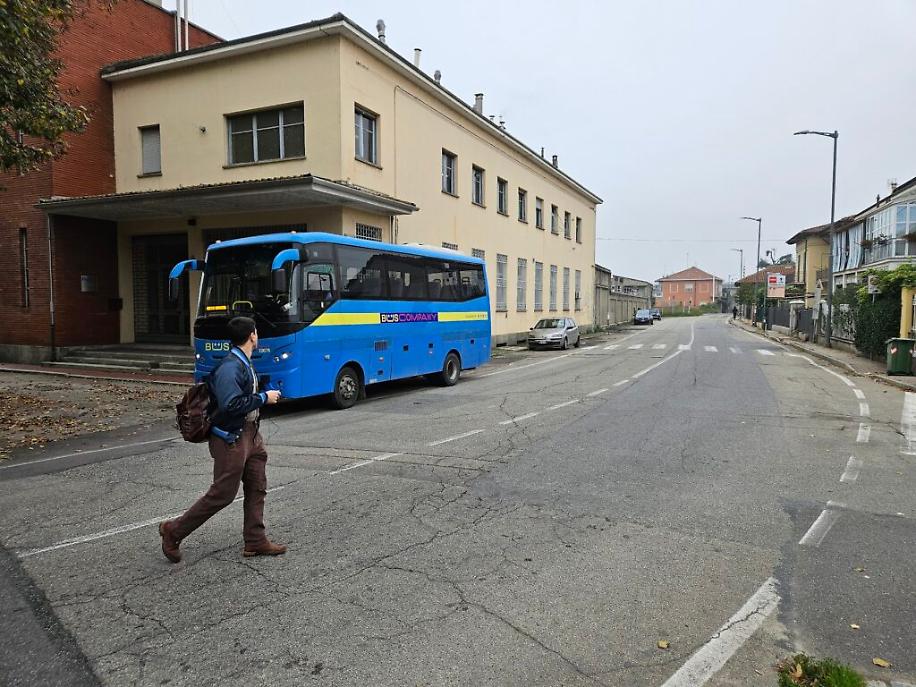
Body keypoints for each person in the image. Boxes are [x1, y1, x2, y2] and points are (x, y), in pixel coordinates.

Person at [159, 316, 285, 563]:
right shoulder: (230, 366)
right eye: (256, 332)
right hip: (231, 439)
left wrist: (262, 391)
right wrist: (263, 398)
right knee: (223, 494)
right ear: (252, 335)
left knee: (257, 485)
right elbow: (230, 405)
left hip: (250, 435)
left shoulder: (243, 361)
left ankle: (255, 540)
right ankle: (173, 531)